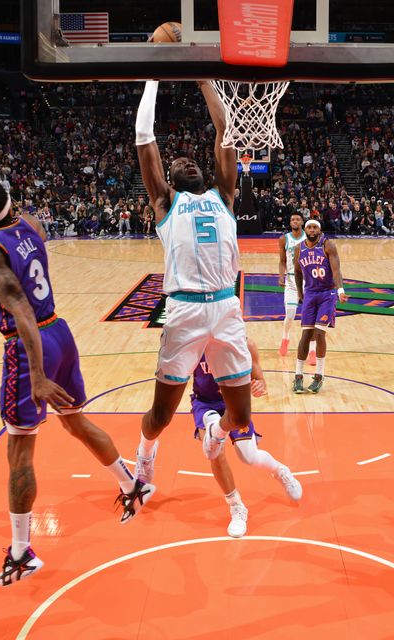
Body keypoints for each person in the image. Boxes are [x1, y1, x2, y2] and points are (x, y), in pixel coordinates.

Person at [0, 181, 153, 587]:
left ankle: (20, 553)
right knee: (75, 422)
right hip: (61, 332)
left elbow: (19, 310)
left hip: (29, 344)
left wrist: (36, 374)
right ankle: (131, 484)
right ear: (10, 204)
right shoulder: (31, 225)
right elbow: (32, 233)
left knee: (19, 448)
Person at [134, 79, 252, 481]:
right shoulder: (166, 202)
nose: (187, 162)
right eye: (177, 163)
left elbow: (226, 131)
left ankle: (215, 432)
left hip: (225, 307)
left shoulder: (224, 196)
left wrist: (204, 81)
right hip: (184, 310)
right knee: (162, 415)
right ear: (169, 177)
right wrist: (153, 80)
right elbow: (144, 137)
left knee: (239, 417)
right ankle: (145, 452)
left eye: (192, 161)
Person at [191, 338, 302, 537]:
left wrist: (259, 385)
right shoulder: (194, 344)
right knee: (215, 450)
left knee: (248, 456)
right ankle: (236, 507)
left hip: (234, 403)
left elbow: (259, 379)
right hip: (205, 403)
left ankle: (280, 471)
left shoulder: (245, 344)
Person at [293, 220, 348, 393]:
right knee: (306, 334)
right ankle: (298, 375)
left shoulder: (328, 245)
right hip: (310, 294)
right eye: (309, 227)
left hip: (327, 293)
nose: (312, 229)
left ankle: (319, 375)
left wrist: (340, 290)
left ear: (319, 230)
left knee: (319, 333)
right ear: (305, 229)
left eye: (315, 227)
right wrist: (300, 293)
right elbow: (297, 271)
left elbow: (336, 270)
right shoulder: (299, 248)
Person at [277, 212, 316, 362]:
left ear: (302, 222)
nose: (295, 221)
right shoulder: (284, 239)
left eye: (298, 219)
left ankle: (312, 350)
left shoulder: (309, 239)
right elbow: (282, 261)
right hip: (292, 281)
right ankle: (285, 338)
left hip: (309, 281)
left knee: (310, 318)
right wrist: (281, 276)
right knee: (291, 314)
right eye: (292, 219)